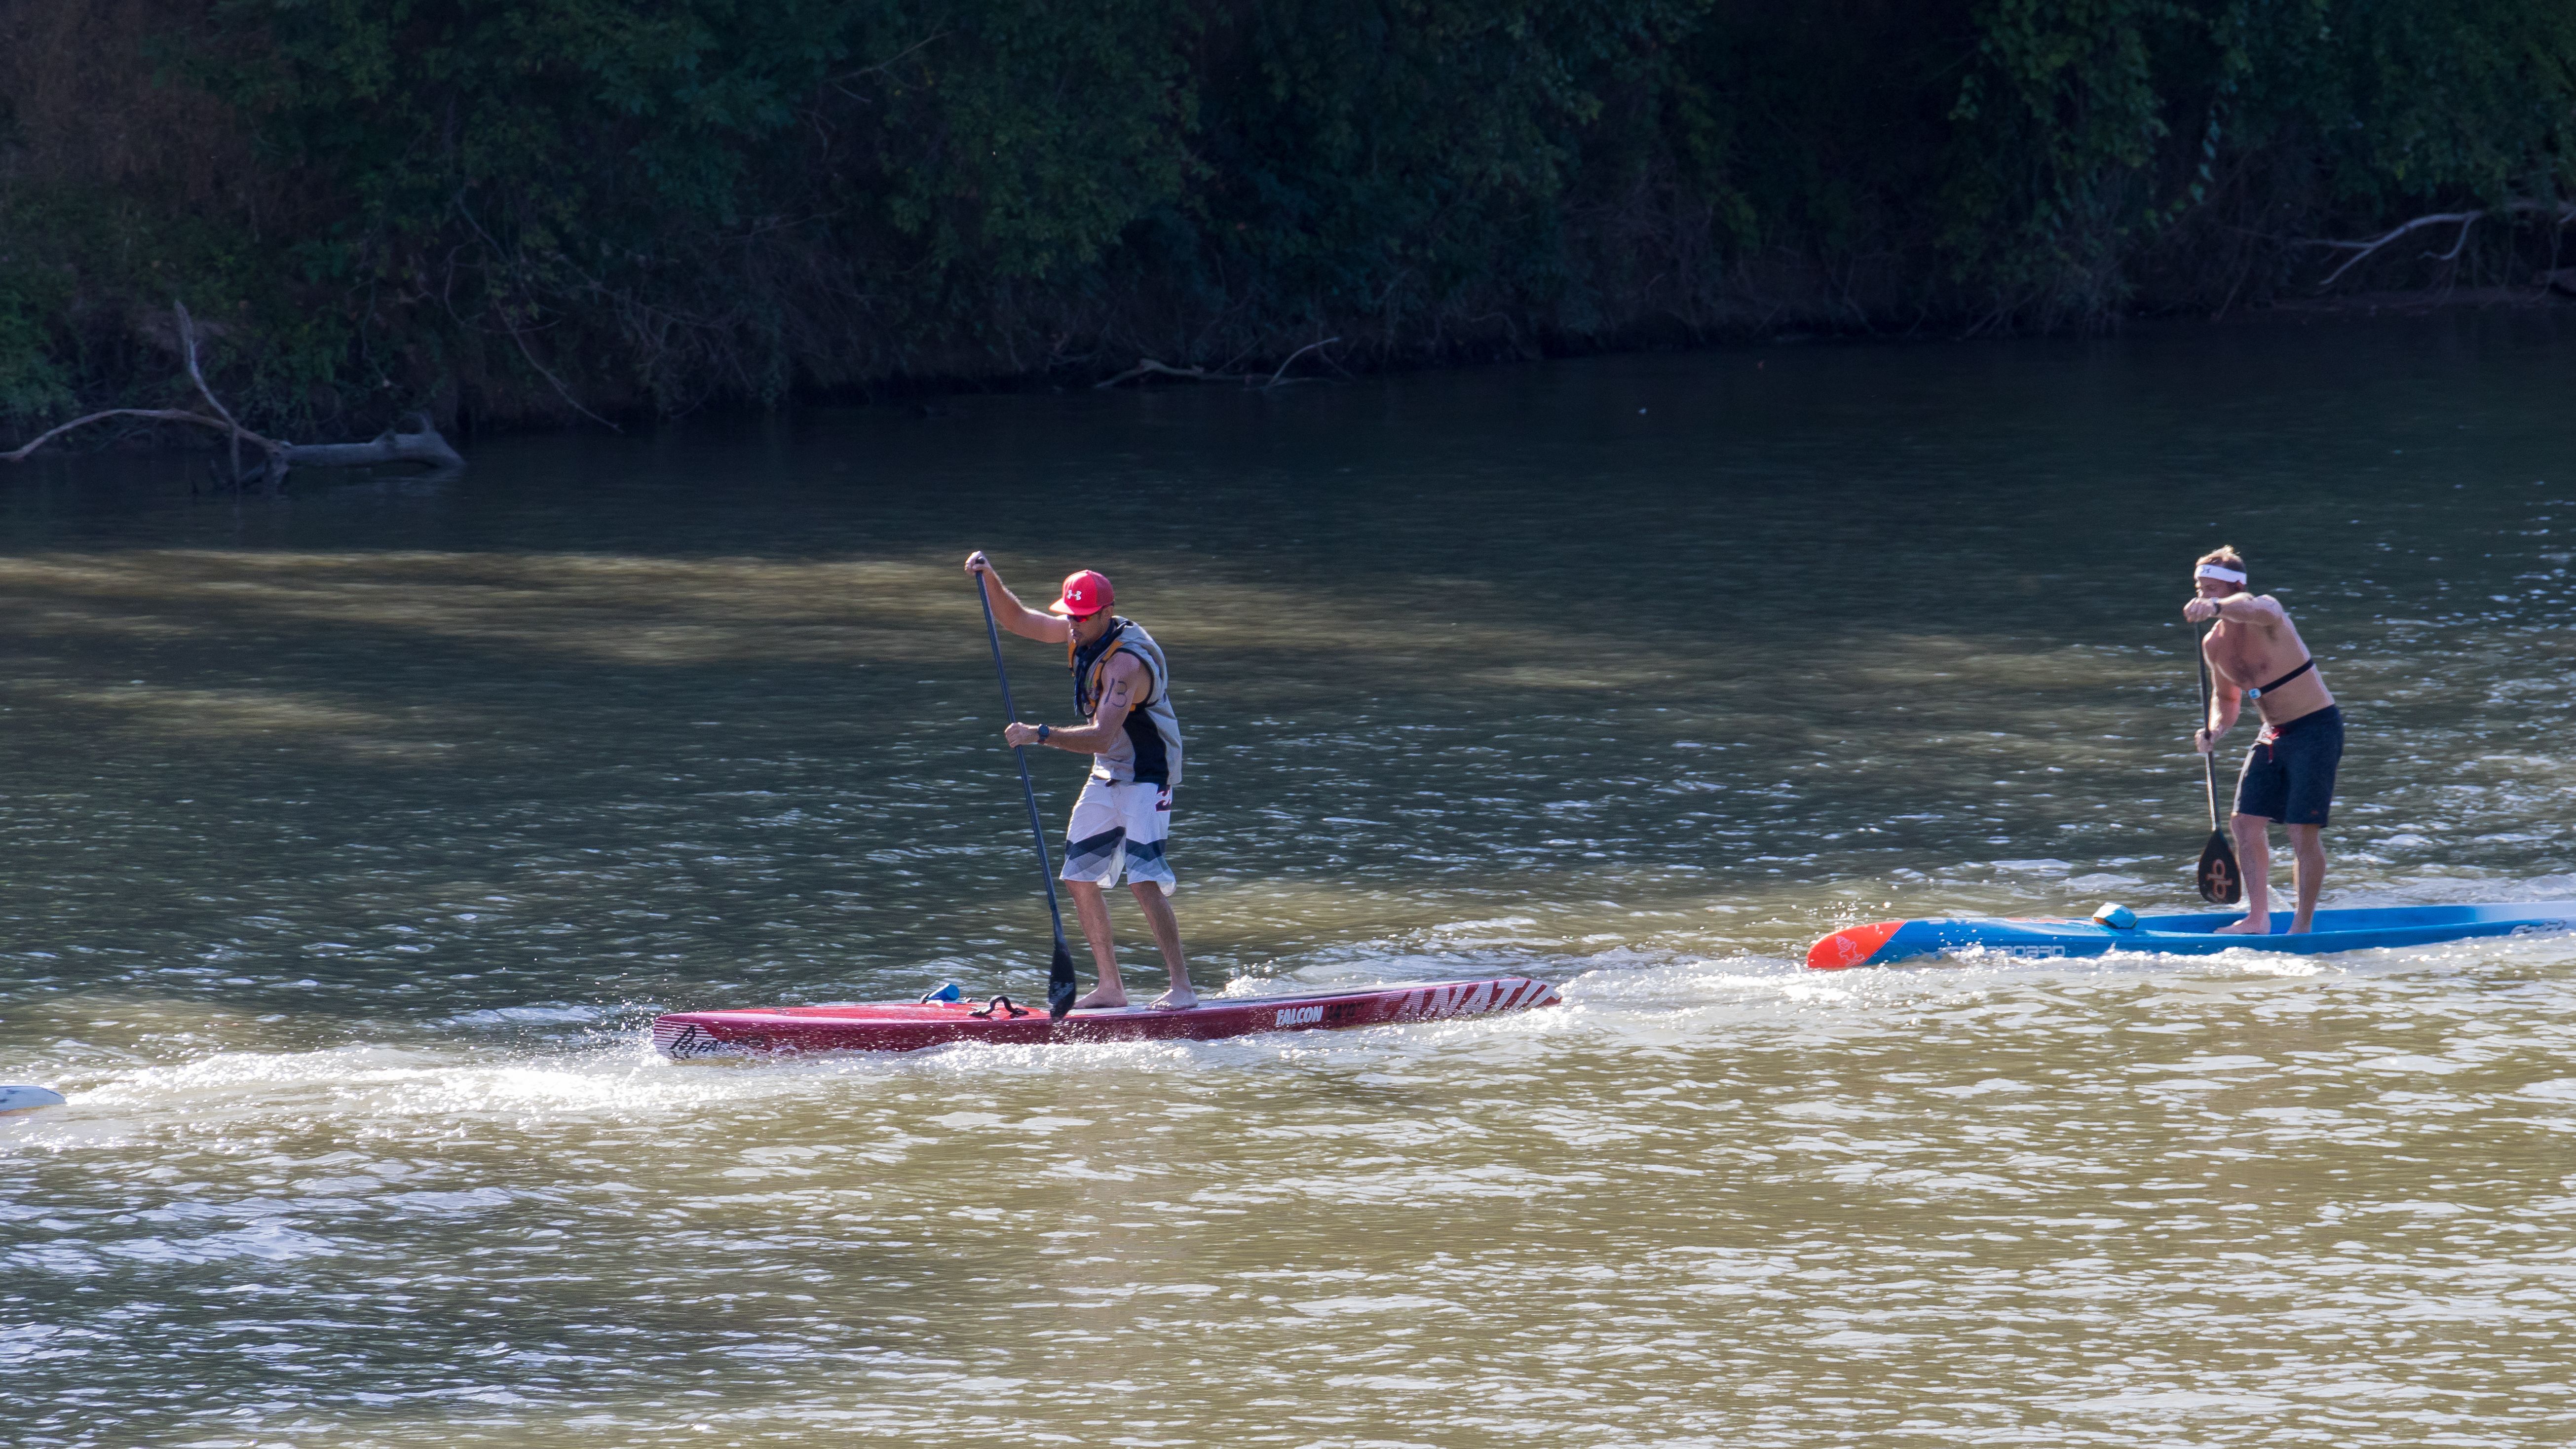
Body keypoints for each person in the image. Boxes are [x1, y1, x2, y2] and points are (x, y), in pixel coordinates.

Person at [964, 551, 1193, 1007]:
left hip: (1148, 775)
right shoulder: (1079, 631)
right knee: (1078, 875)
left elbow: (1101, 735)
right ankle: (1112, 987)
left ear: (1107, 614)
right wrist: (989, 577)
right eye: (1069, 615)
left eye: (1082, 618)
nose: (1072, 625)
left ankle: (1182, 988)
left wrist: (1039, 735)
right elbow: (1018, 619)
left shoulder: (1125, 665)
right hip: (1109, 771)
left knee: (1142, 880)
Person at [2184, 545, 2342, 934]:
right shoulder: (2213, 647)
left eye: (2213, 589)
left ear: (2235, 587)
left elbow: (2252, 608)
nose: (2204, 596)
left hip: (2316, 728)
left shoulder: (2267, 612)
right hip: (2272, 734)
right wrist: (2215, 730)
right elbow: (2226, 699)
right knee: (2244, 824)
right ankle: (2258, 919)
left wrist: (2220, 608)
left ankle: (2301, 927)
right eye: (2200, 588)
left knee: (2299, 832)